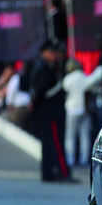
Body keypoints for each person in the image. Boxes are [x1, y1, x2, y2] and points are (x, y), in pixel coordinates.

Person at [31, 38, 73, 182]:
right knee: (56, 144)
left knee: (49, 145)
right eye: (52, 52)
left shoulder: (48, 67)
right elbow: (41, 92)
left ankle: (48, 173)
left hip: (47, 112)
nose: (55, 54)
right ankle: (63, 172)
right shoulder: (45, 69)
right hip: (50, 112)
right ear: (45, 53)